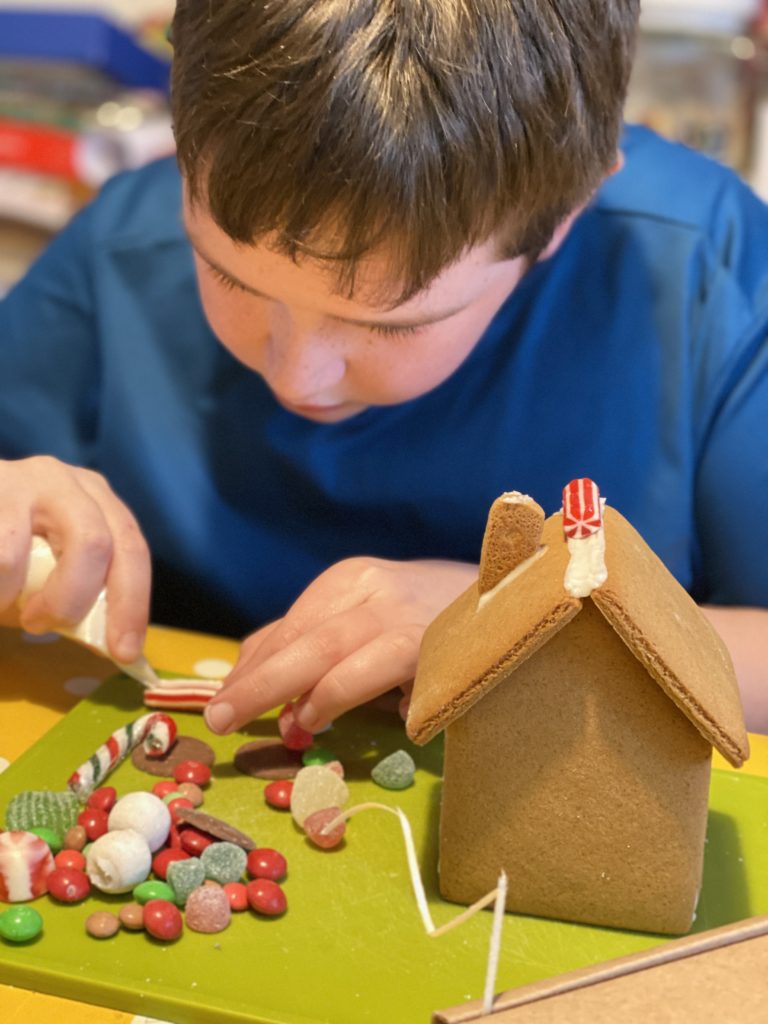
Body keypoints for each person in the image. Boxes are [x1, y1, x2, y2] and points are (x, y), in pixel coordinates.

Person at [0, 1, 766, 737]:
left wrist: (534, 624)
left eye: (388, 323)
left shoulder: (706, 275)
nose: (298, 376)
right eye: (230, 277)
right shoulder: (119, 247)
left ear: (563, 217)